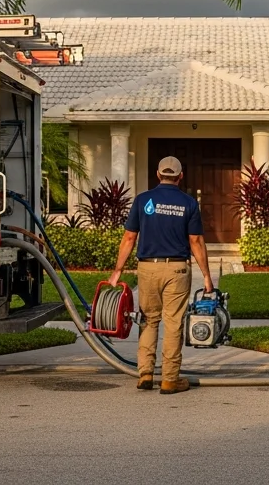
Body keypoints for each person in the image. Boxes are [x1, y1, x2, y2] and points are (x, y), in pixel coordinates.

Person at [107, 155, 214, 394]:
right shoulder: (188, 203)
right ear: (180, 176)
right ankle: (169, 379)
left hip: (148, 268)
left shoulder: (143, 200)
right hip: (177, 268)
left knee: (148, 320)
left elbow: (129, 238)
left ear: (158, 175)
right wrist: (206, 276)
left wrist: (117, 271)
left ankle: (145, 374)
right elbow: (195, 240)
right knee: (173, 323)